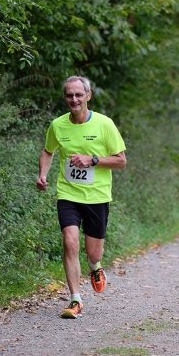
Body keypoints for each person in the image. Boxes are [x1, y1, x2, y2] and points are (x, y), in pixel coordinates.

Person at [36, 76, 127, 318]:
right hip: (68, 193)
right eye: (69, 95)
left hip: (97, 196)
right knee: (69, 242)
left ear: (88, 96)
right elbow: (48, 151)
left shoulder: (104, 125)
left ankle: (95, 267)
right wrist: (43, 175)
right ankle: (75, 299)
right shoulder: (58, 125)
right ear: (65, 98)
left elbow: (121, 160)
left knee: (93, 253)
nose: (74, 99)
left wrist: (93, 160)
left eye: (78, 95)